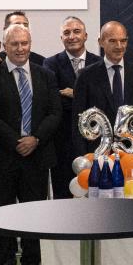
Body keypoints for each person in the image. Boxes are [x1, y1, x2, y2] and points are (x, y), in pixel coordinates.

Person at [0, 24, 62, 265]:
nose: (20, 48)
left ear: (30, 44)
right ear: (4, 47)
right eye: (14, 44)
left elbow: (55, 113)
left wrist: (36, 139)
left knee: (35, 216)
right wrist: (16, 141)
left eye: (24, 43)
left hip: (37, 158)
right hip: (4, 158)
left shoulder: (45, 75)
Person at [43, 16, 92, 198]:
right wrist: (85, 97)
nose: (72, 36)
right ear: (61, 38)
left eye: (76, 31)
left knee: (96, 199)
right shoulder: (50, 64)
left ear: (85, 35)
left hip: (93, 144)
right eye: (66, 33)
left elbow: (101, 101)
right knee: (62, 200)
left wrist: (75, 94)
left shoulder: (98, 62)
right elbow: (54, 102)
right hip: (62, 144)